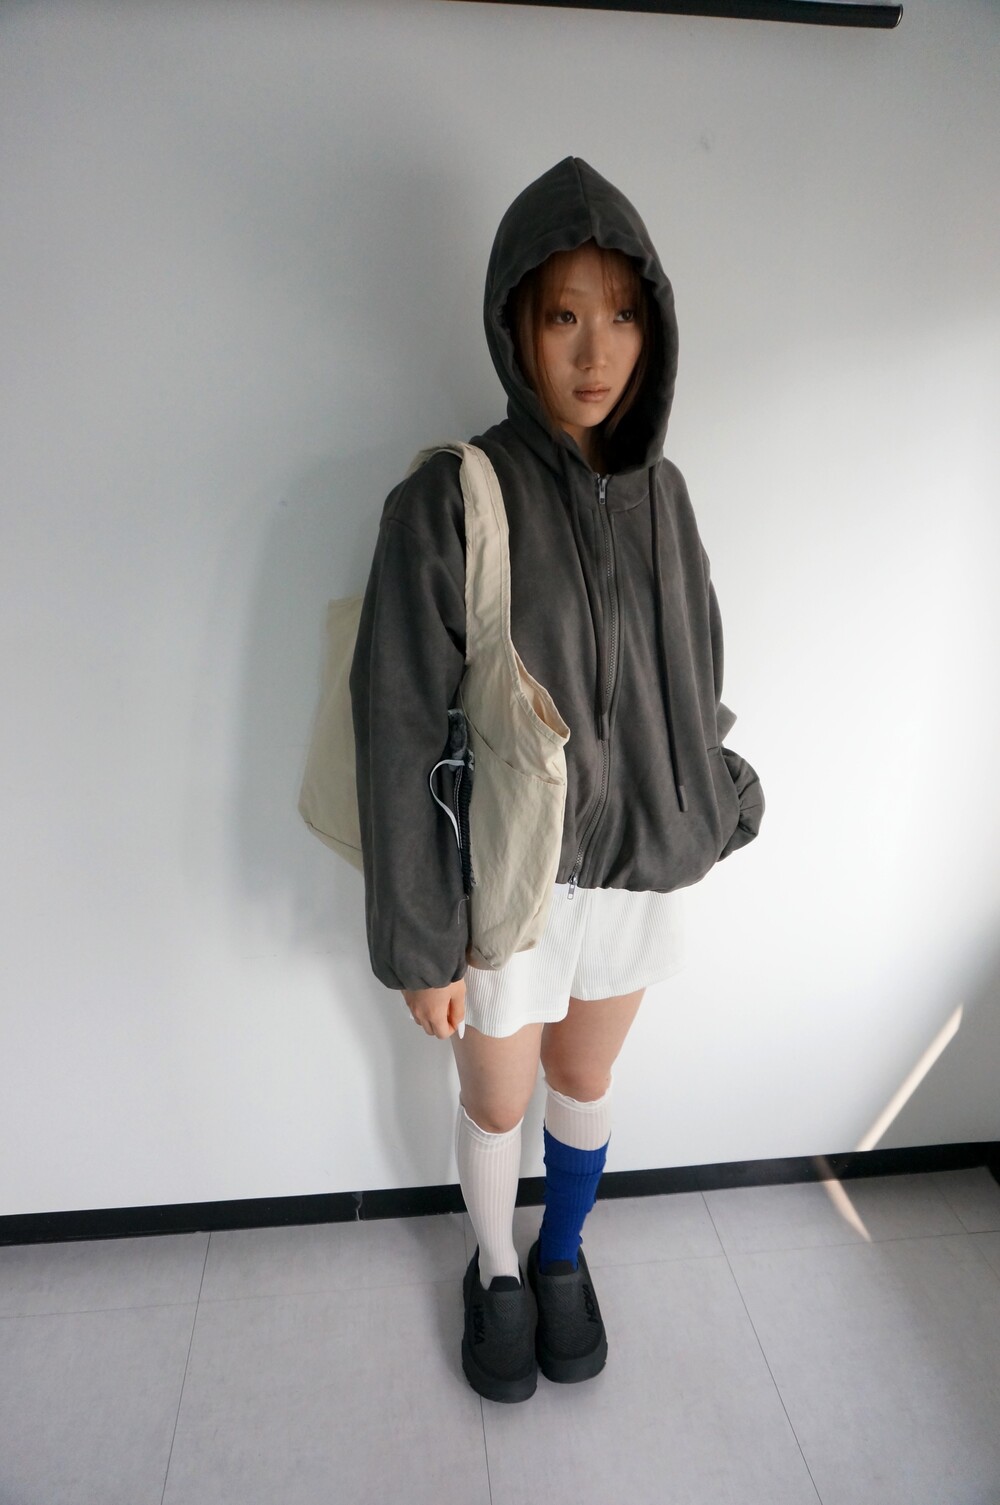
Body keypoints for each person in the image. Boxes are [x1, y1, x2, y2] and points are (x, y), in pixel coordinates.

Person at [349, 157, 763, 1403]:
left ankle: (564, 1249)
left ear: (654, 324)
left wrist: (713, 802)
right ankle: (496, 1267)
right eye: (564, 315)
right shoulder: (449, 496)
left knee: (584, 1079)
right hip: (505, 878)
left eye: (622, 313)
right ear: (516, 325)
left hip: (632, 863)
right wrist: (420, 940)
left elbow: (696, 669)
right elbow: (396, 722)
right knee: (499, 1094)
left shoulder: (664, 494)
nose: (596, 350)